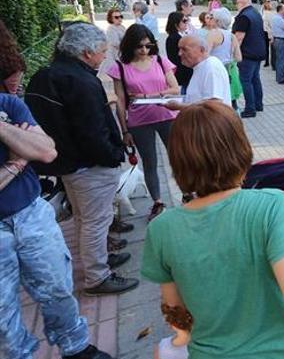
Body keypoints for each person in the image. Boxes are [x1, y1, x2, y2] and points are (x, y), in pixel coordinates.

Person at [140, 101, 284, 359]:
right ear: (240, 148)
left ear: (178, 160)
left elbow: (174, 306)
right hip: (282, 357)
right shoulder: (271, 204)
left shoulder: (161, 229)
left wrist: (185, 338)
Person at [25, 22, 139, 295]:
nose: (103, 56)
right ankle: (97, 276)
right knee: (94, 221)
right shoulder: (80, 80)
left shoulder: (47, 74)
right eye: (101, 51)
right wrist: (112, 156)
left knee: (84, 219)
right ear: (86, 53)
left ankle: (97, 260)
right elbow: (92, 130)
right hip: (88, 165)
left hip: (67, 163)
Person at [107, 24, 180, 222]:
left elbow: (175, 89)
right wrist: (124, 131)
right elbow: (121, 101)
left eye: (148, 45)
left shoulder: (160, 61)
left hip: (167, 116)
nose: (144, 50)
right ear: (130, 45)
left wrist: (150, 95)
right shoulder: (120, 68)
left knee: (179, 158)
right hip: (139, 122)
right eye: (139, 46)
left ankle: (188, 194)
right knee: (150, 163)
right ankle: (157, 202)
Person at [165, 36, 233, 109]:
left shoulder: (211, 67)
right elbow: (198, 97)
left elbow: (214, 102)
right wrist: (178, 99)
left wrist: (179, 106)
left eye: (184, 49)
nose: (179, 53)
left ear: (201, 50)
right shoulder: (201, 66)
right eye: (179, 49)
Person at [232, 0, 266, 118]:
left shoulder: (243, 17)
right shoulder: (255, 13)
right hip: (258, 52)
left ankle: (250, 109)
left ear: (241, 3)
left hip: (247, 54)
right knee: (255, 79)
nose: (236, 6)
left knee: (246, 81)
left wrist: (233, 54)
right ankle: (258, 105)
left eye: (237, 3)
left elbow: (239, 38)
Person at [210, 8, 243, 109]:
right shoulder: (231, 35)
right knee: (231, 102)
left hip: (215, 71)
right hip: (230, 71)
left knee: (217, 102)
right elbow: (238, 58)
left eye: (212, 17)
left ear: (217, 21)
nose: (210, 20)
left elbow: (204, 55)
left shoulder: (213, 34)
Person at [164, 12, 193, 92]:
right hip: (183, 72)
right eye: (184, 21)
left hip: (182, 71)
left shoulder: (176, 36)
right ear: (176, 24)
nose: (186, 23)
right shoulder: (175, 38)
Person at [271, 3, 284, 84]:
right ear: (281, 10)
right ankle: (280, 78)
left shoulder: (279, 18)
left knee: (281, 59)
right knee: (281, 59)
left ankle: (280, 76)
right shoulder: (278, 18)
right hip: (280, 40)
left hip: (281, 40)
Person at [262, 0, 275, 68]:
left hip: (268, 31)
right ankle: (267, 61)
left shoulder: (270, 13)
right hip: (266, 31)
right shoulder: (264, 12)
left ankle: (270, 61)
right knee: (267, 47)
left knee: (270, 47)